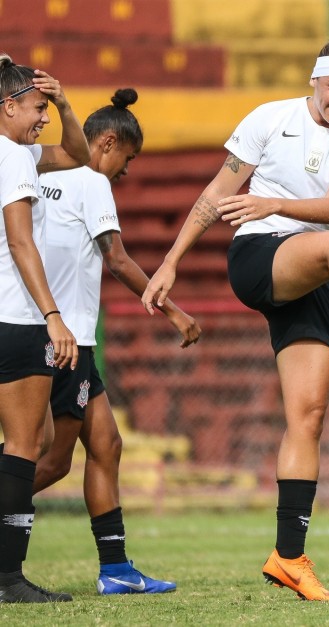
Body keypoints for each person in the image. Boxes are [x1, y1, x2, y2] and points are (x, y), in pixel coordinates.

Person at [141, 26, 329, 603]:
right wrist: (171, 262)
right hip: (259, 257)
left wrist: (274, 199)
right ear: (314, 79)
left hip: (312, 274)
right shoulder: (268, 117)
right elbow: (216, 193)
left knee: (307, 418)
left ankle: (289, 557)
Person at [33, 88, 200, 595]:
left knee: (106, 444)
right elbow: (119, 259)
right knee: (50, 461)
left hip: (47, 331)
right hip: (68, 341)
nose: (124, 173)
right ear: (107, 142)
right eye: (126, 161)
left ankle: (117, 570)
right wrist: (172, 311)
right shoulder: (91, 181)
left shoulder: (41, 175)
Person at [0, 54, 90, 603]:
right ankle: (9, 579)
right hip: (17, 315)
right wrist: (54, 316)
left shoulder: (18, 152)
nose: (44, 119)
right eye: (37, 108)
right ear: (7, 106)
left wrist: (64, 102)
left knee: (45, 440)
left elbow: (79, 154)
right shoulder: (12, 158)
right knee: (27, 445)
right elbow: (20, 241)